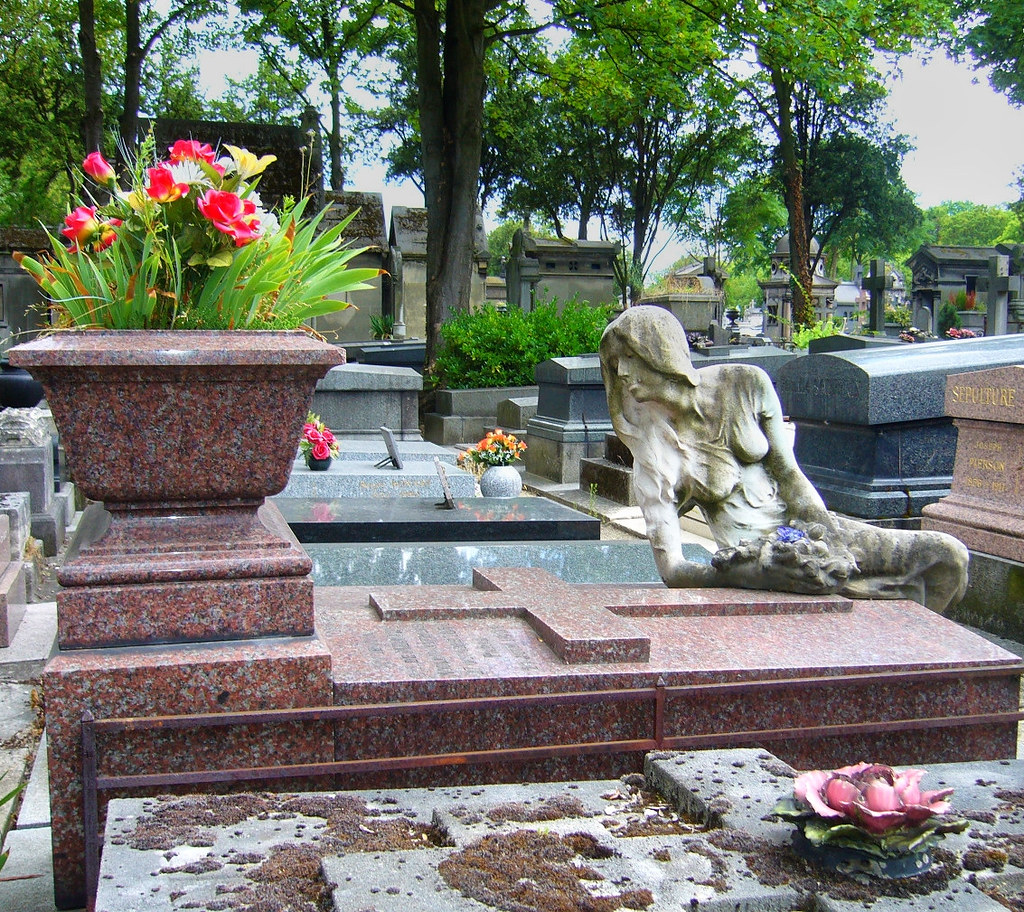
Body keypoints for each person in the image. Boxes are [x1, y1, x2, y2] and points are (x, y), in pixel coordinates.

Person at [599, 306, 968, 612]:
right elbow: (673, 570)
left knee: (947, 557)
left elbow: (789, 474)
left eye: (630, 357)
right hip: (756, 563)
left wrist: (830, 536)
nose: (623, 373)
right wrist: (745, 574)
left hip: (813, 529)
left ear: (660, 350)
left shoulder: (745, 383)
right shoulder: (654, 454)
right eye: (617, 364)